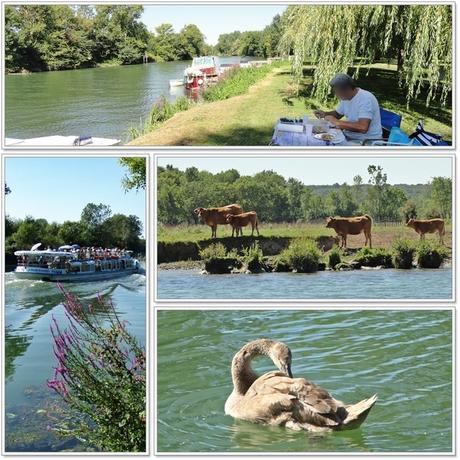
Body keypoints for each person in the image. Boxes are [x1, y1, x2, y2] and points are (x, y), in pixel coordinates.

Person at [314, 73, 382, 143]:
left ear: (348, 89)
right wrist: (325, 114)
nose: (336, 95)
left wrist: (336, 122)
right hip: (349, 136)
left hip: (366, 141)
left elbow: (363, 127)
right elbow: (337, 114)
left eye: (338, 92)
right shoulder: (346, 97)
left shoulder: (366, 99)